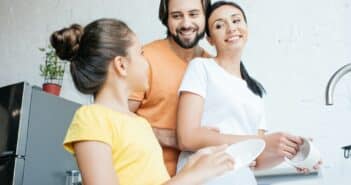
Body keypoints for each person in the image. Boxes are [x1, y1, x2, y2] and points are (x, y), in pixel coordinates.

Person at [51, 18, 235, 185]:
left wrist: (192, 168)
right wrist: (192, 176)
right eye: (140, 53)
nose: (146, 61)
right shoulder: (92, 117)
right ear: (121, 65)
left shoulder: (141, 124)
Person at [176, 1, 321, 185]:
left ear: (247, 29)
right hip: (204, 178)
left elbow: (256, 160)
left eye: (236, 21)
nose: (231, 28)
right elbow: (187, 138)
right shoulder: (201, 68)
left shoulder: (255, 91)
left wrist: (289, 152)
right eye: (219, 25)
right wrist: (260, 140)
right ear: (210, 39)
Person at [128, 0, 214, 176]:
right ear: (166, 19)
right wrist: (170, 137)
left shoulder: (213, 66)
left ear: (206, 17)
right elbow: (114, 118)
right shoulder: (144, 59)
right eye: (177, 16)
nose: (186, 24)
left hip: (202, 178)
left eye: (193, 14)